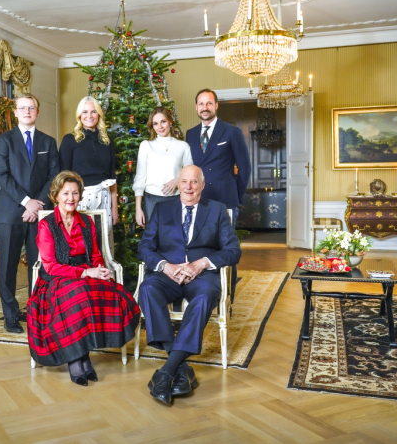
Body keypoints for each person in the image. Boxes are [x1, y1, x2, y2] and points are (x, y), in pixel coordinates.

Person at [137, 165, 241, 405]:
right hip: (168, 275)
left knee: (205, 298)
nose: (188, 187)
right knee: (148, 289)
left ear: (202, 185)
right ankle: (181, 368)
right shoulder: (162, 210)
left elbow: (233, 251)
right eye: (184, 181)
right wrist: (165, 266)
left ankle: (166, 372)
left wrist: (202, 263)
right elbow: (144, 247)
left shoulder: (216, 211)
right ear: (178, 184)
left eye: (194, 182)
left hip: (201, 276)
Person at [27, 171, 140, 385]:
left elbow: (96, 254)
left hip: (85, 271)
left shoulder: (87, 222)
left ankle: (81, 355)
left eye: (75, 193)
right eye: (66, 193)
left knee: (114, 293)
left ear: (80, 196)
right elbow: (50, 266)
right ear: (56, 196)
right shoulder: (46, 225)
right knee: (77, 295)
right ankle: (78, 360)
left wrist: (100, 269)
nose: (71, 198)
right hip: (55, 278)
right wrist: (86, 273)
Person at [0, 93, 59, 334]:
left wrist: (38, 203)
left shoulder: (48, 142)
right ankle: (10, 315)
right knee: (8, 267)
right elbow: (2, 177)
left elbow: (54, 176)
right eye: (22, 108)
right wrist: (26, 202)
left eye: (31, 107)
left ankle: (35, 310)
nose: (27, 111)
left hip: (40, 213)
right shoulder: (4, 141)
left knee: (39, 265)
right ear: (16, 112)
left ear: (37, 112)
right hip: (12, 212)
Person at [186, 88, 251, 299]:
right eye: (201, 104)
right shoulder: (190, 134)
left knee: (226, 249)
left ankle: (228, 296)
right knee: (201, 248)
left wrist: (236, 197)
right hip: (200, 202)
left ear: (216, 106)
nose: (205, 108)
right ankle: (205, 293)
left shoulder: (231, 132)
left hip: (225, 201)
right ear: (196, 107)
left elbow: (245, 168)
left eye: (209, 103)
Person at [59, 96, 117, 249]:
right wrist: (65, 207)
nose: (89, 116)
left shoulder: (107, 140)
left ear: (99, 114)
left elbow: (112, 178)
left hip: (104, 199)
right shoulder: (69, 140)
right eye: (85, 112)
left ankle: (104, 272)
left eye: (93, 112)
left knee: (103, 243)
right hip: (79, 198)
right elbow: (63, 178)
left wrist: (115, 209)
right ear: (79, 115)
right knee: (81, 243)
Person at [133, 107, 192, 227]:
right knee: (153, 239)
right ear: (152, 126)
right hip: (151, 200)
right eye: (155, 123)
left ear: (170, 121)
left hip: (176, 199)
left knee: (175, 238)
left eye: (163, 121)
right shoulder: (146, 145)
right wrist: (138, 209)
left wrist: (178, 179)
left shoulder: (183, 146)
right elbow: (140, 177)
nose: (160, 126)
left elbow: (190, 172)